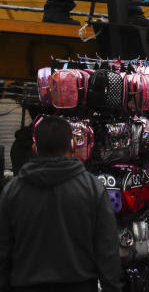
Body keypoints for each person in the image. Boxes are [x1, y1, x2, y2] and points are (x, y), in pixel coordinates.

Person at [0, 115, 122, 292]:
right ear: (72, 146)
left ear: (34, 148)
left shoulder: (13, 192)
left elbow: (3, 251)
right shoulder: (91, 188)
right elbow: (107, 249)